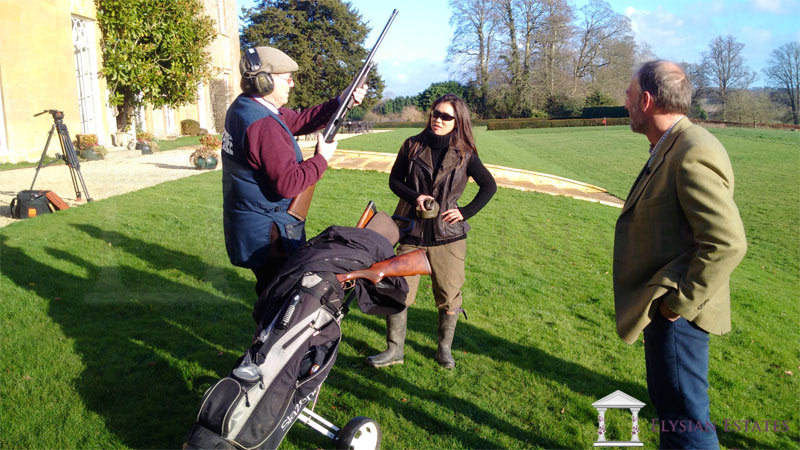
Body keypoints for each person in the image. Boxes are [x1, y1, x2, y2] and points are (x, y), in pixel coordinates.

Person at [614, 60, 747, 449]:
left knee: (686, 422)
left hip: (681, 316)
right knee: (673, 413)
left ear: (647, 100)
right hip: (668, 308)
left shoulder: (691, 151)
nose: (625, 103)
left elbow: (727, 243)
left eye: (628, 95)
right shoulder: (671, 143)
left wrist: (678, 305)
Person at [222, 46, 367, 297]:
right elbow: (289, 184)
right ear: (264, 81)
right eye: (286, 77)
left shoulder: (247, 107)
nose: (292, 83)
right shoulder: (263, 123)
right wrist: (322, 159)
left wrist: (341, 101)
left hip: (255, 224)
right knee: (280, 300)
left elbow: (300, 121)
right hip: (270, 232)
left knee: (272, 294)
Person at [367, 94, 497, 369]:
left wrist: (464, 212)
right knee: (399, 291)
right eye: (435, 113)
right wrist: (414, 196)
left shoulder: (465, 154)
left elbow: (489, 187)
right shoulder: (412, 146)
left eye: (446, 116)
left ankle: (444, 350)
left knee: (449, 295)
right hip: (411, 232)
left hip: (448, 237)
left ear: (457, 121)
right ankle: (394, 351)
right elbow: (394, 180)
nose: (438, 119)